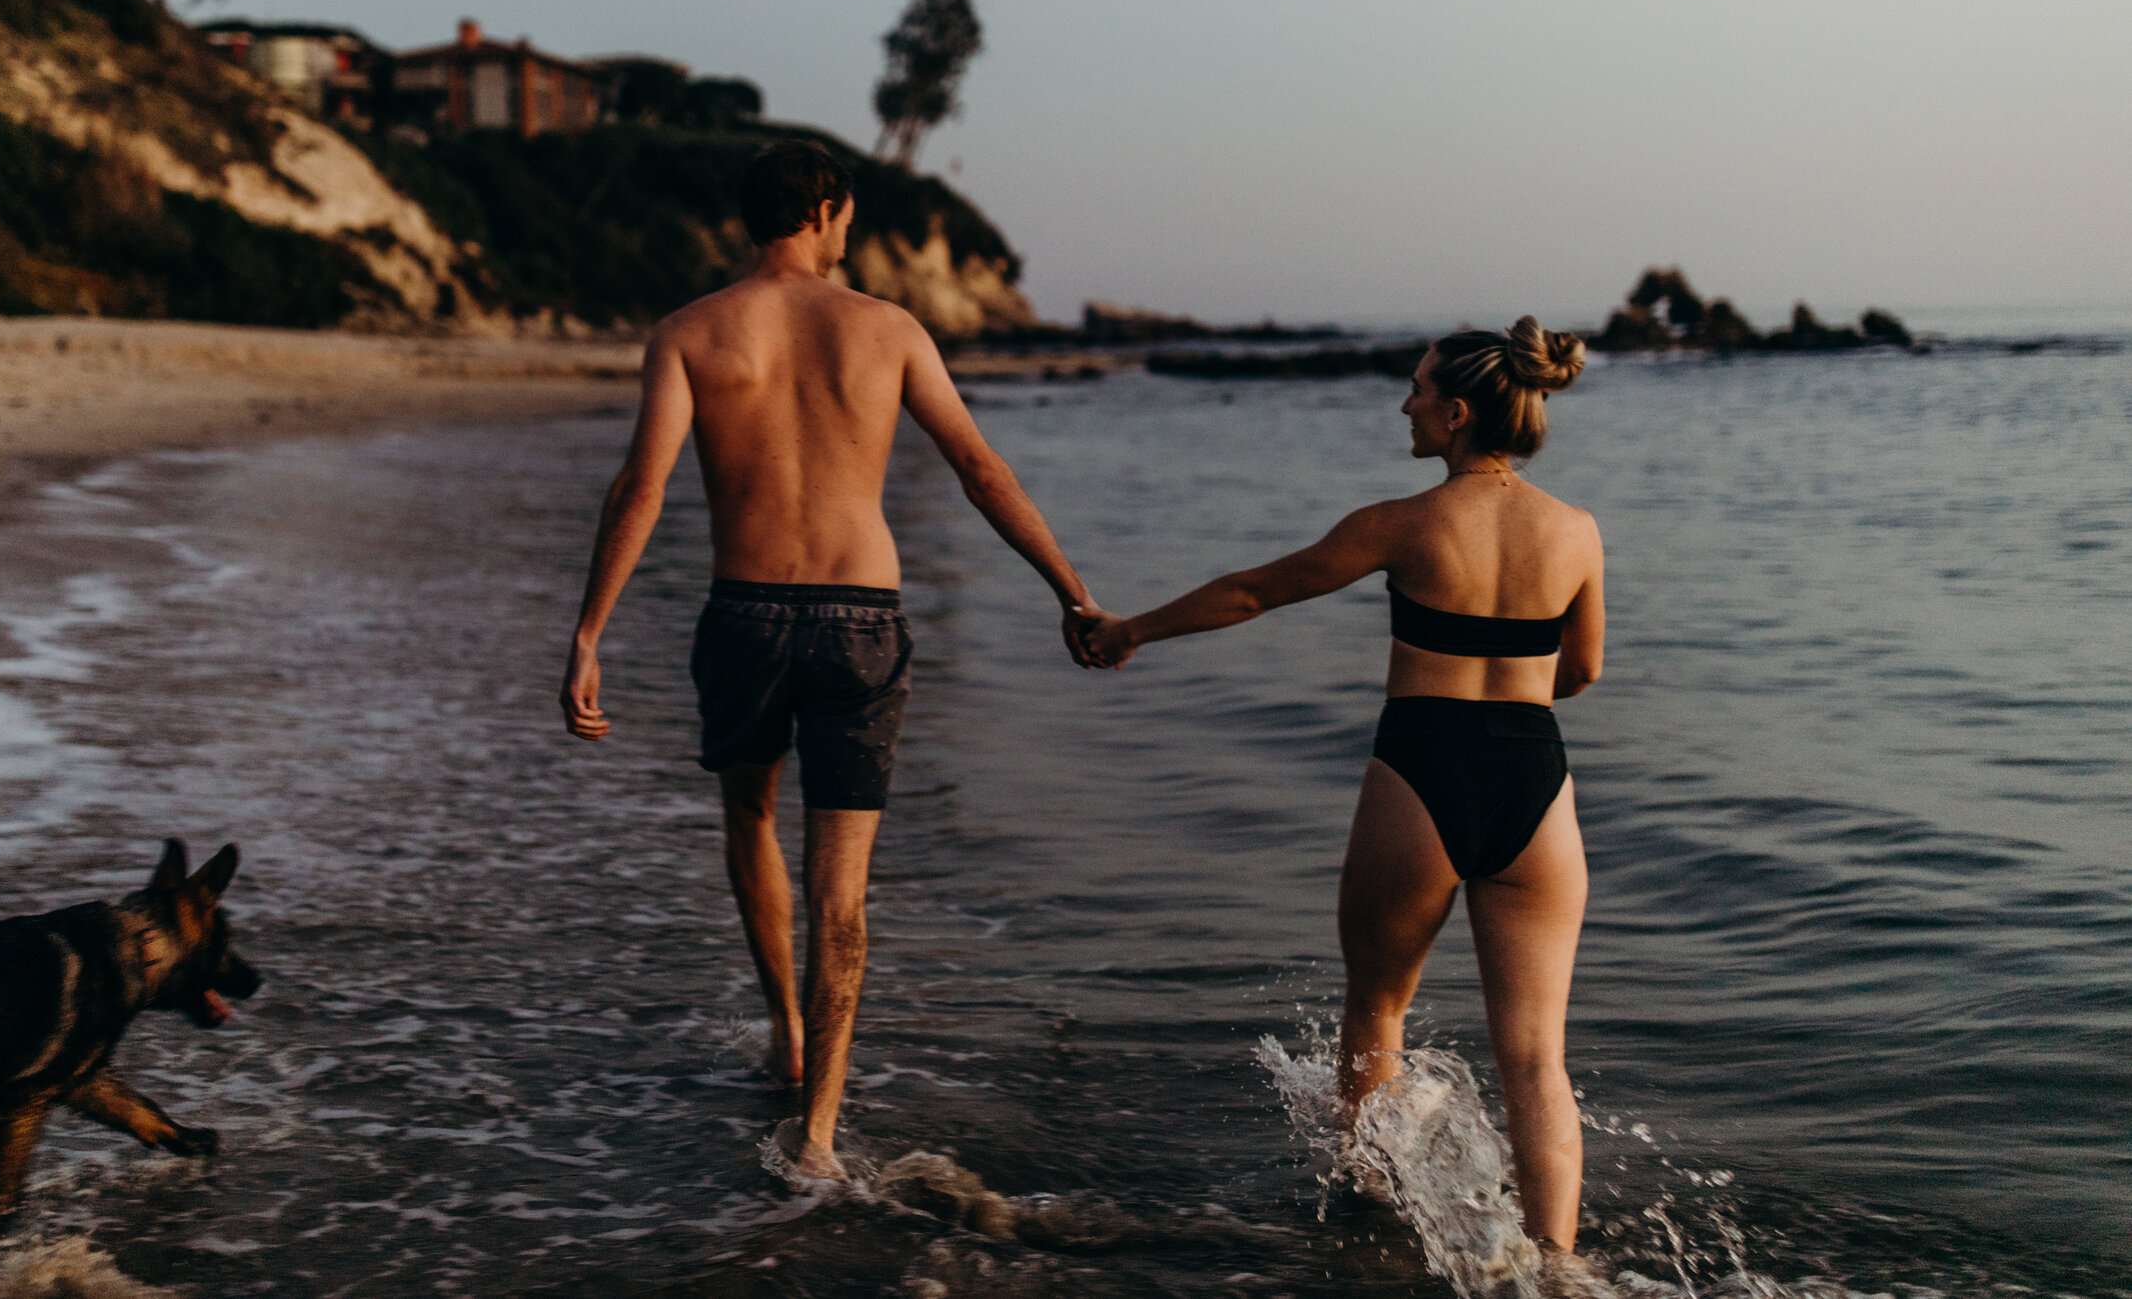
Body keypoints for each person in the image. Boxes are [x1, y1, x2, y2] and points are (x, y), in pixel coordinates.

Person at [560, 140, 1101, 1179]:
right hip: (862, 616)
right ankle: (815, 1132)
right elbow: (979, 467)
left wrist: (589, 630)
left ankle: (783, 1029)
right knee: (841, 891)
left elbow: (641, 484)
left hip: (744, 612)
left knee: (751, 816)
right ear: (822, 209)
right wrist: (1069, 590)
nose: (849, 225)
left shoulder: (689, 332)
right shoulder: (887, 329)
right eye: (845, 211)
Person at [1079, 319, 1602, 1251]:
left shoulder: (1399, 524)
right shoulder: (1577, 531)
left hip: (1422, 768)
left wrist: (1132, 631)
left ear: (1454, 412)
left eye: (1414, 388)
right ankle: (1557, 1269)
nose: (1403, 404)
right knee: (1536, 1059)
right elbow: (1583, 671)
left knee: (1376, 1014)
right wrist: (1512, 689)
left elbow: (1254, 592)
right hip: (1535, 778)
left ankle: (1368, 1225)